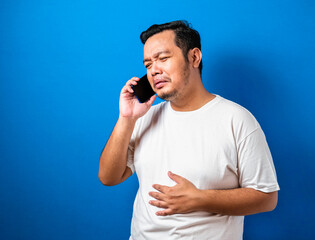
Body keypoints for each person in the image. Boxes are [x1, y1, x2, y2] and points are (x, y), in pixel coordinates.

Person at [99, 20, 280, 240]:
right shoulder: (145, 118)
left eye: (163, 58)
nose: (154, 70)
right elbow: (109, 177)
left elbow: (267, 197)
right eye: (148, 64)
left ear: (194, 57)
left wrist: (200, 199)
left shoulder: (237, 119)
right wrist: (126, 118)